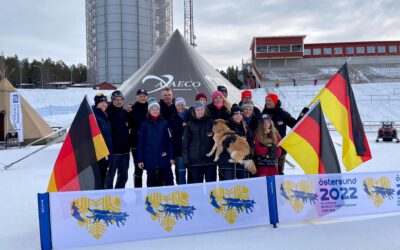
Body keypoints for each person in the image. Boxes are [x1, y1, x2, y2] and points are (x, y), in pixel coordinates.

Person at [262, 93, 308, 175]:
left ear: (275, 102)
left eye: (270, 100)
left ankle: (280, 187)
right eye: (266, 101)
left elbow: (295, 125)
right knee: (267, 172)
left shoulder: (282, 114)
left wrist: (303, 113)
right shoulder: (263, 114)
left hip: (280, 148)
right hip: (266, 148)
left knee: (279, 172)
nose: (267, 102)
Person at [137, 98, 174, 187]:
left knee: (168, 180)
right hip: (150, 158)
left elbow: (169, 141)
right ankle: (153, 200)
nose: (155, 111)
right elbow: (140, 143)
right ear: (149, 111)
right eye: (153, 109)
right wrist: (140, 159)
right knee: (152, 182)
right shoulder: (144, 125)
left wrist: (171, 156)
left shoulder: (165, 123)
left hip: (163, 158)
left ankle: (170, 200)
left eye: (157, 109)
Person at [183, 101, 216, 183]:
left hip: (209, 161)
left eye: (202, 109)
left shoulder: (211, 122)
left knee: (211, 187)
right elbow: (185, 143)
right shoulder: (189, 125)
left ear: (205, 110)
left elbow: (216, 141)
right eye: (198, 110)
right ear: (194, 111)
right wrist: (186, 158)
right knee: (197, 188)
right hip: (195, 162)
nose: (200, 111)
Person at [218, 106, 254, 180]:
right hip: (228, 163)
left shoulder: (246, 128)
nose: (238, 116)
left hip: (242, 162)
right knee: (229, 187)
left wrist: (249, 153)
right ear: (232, 115)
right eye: (236, 114)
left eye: (240, 114)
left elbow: (251, 143)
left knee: (242, 187)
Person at [105, 90, 130, 189]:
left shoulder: (125, 113)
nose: (119, 101)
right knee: (110, 176)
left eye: (121, 99)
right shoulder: (107, 113)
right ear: (112, 100)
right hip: (113, 152)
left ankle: (119, 196)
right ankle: (108, 197)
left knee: (123, 176)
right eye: (116, 99)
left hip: (125, 151)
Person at [127, 89, 148, 188]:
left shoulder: (150, 107)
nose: (142, 97)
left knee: (150, 167)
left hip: (148, 144)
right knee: (138, 168)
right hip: (136, 144)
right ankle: (138, 191)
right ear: (137, 97)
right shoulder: (132, 109)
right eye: (140, 96)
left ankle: (152, 191)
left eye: (144, 96)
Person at [92, 93, 112, 188]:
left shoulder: (104, 116)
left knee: (104, 177)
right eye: (101, 102)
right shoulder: (94, 117)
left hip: (106, 153)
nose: (104, 104)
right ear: (96, 104)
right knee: (99, 179)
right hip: (98, 155)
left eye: (105, 102)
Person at [170, 97, 190, 184]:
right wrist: (173, 154)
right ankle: (182, 194)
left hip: (190, 151)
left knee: (192, 175)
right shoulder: (172, 119)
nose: (180, 107)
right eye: (178, 105)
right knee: (181, 175)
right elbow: (171, 138)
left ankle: (192, 194)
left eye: (182, 105)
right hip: (179, 152)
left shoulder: (190, 116)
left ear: (185, 105)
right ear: (175, 106)